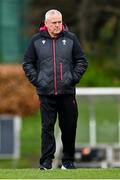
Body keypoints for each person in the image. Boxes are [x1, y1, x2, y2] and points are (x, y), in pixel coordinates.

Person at [23, 9, 88, 170]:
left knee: (69, 127)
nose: (58, 25)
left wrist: (72, 78)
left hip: (67, 93)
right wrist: (38, 81)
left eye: (60, 22)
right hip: (46, 93)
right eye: (54, 22)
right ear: (46, 24)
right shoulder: (36, 40)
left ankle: (68, 162)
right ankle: (46, 163)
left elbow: (81, 61)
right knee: (47, 128)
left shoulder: (71, 39)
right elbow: (27, 63)